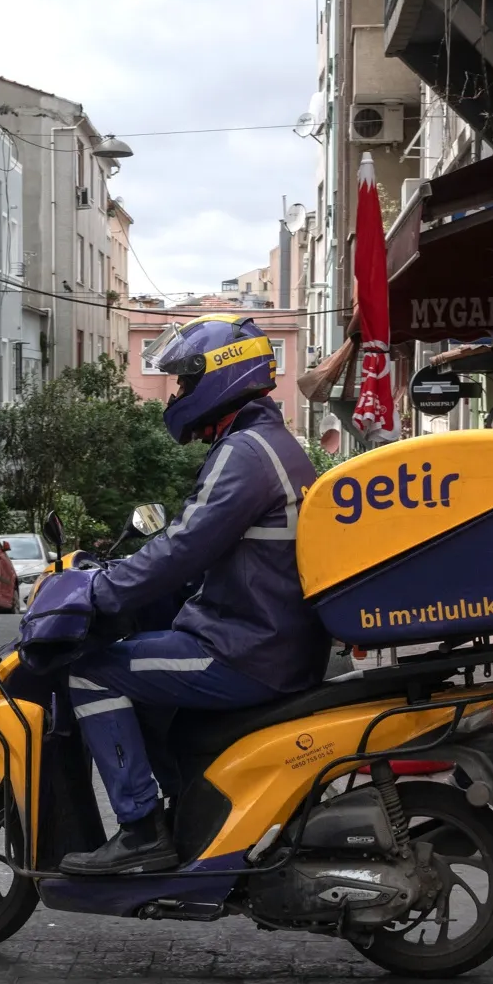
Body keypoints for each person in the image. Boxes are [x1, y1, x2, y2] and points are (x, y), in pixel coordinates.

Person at [59, 315, 325, 876]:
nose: (178, 394)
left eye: (184, 382)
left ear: (218, 379)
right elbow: (195, 548)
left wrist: (101, 591)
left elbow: (182, 547)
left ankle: (138, 831)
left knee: (92, 672)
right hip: (266, 637)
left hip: (247, 649)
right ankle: (190, 813)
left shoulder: (246, 453)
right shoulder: (266, 443)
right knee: (149, 668)